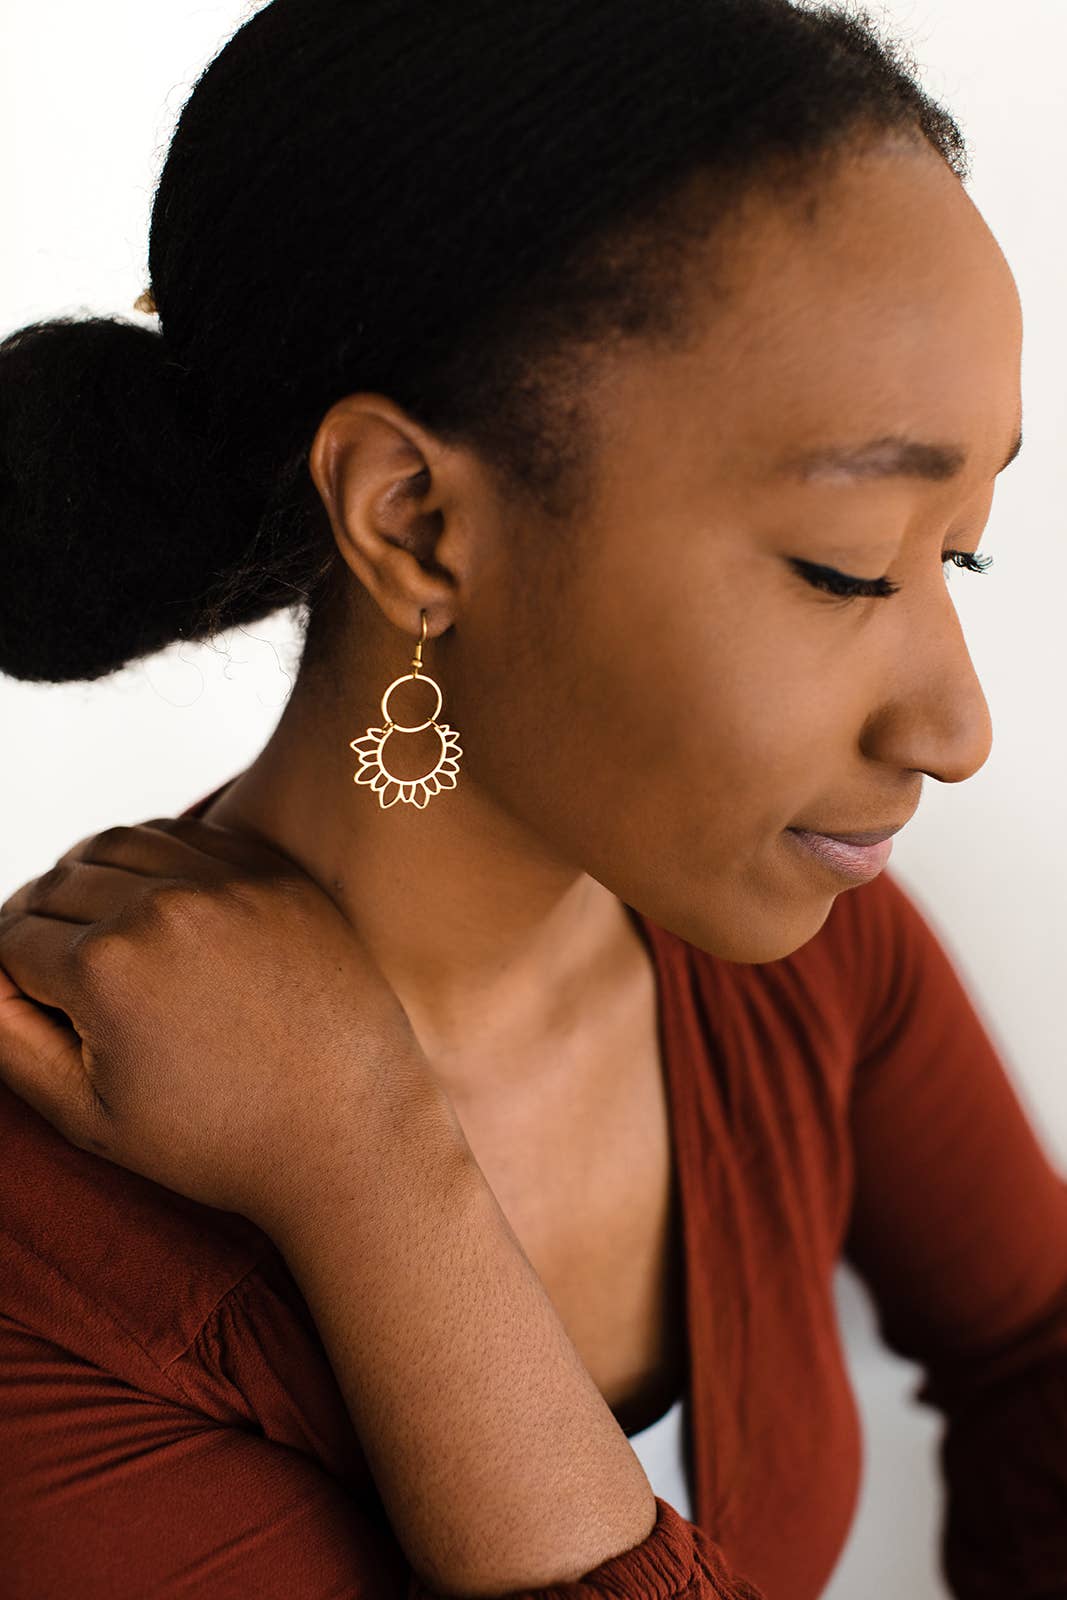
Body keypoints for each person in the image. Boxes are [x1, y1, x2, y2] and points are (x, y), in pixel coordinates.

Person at [0, 1, 1064, 1596]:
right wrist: (377, 1176)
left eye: (956, 552)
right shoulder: (44, 1266)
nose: (959, 726)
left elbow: (1039, 1358)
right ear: (418, 523)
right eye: (847, 568)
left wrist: (376, 1158)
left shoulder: (816, 958)